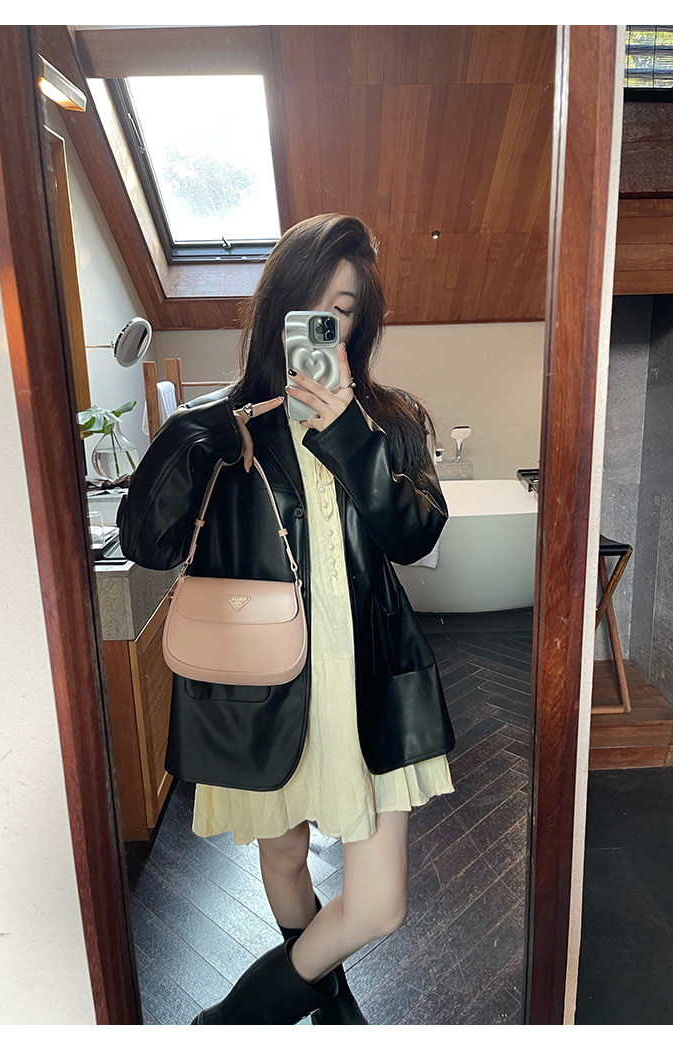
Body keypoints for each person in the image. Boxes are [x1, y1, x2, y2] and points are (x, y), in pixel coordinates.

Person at [118, 213, 455, 1025]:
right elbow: (146, 544)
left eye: (341, 309)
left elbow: (417, 536)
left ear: (358, 325)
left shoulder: (392, 420)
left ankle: (228, 1024)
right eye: (310, 303)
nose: (323, 322)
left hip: (369, 682)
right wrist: (189, 437)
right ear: (276, 309)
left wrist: (351, 437)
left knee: (378, 905)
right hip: (262, 687)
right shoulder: (223, 428)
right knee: (283, 859)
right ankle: (333, 1011)